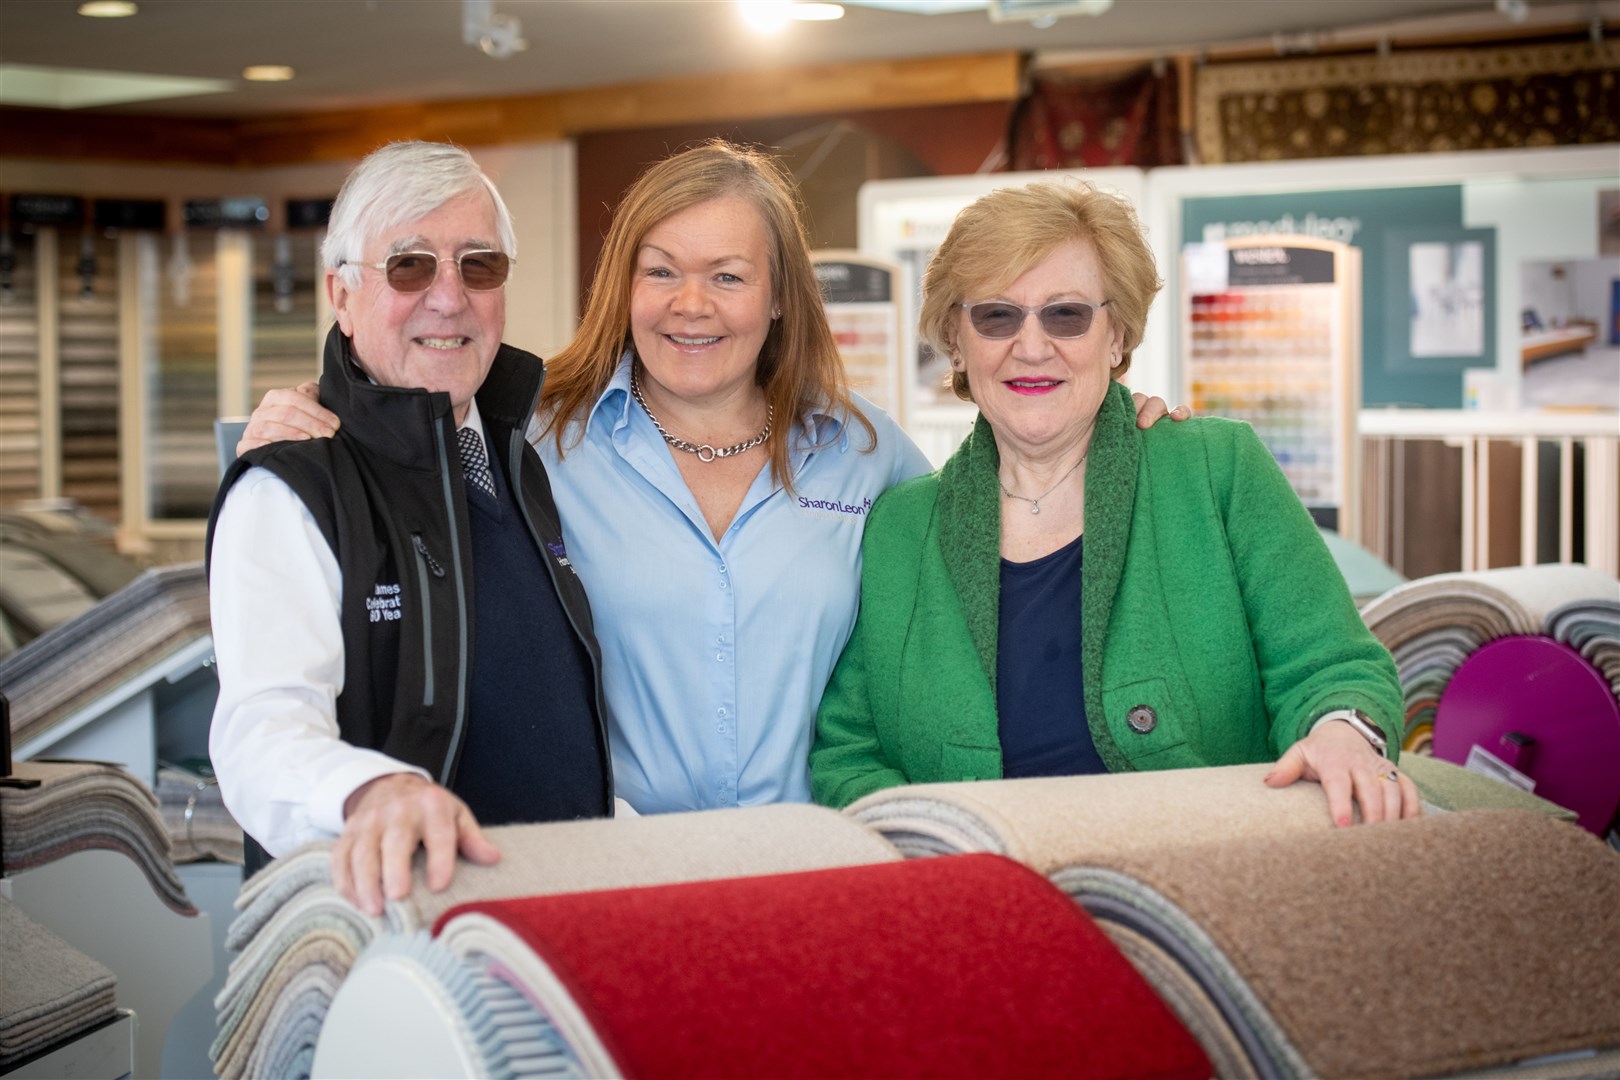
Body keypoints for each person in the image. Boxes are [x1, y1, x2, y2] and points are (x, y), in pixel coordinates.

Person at [239, 141, 1184, 821]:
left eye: (729, 277)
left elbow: (1003, 523)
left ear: (778, 299)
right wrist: (301, 421)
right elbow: (403, 420)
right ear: (625, 286)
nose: (693, 306)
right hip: (617, 870)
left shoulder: (870, 454)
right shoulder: (533, 441)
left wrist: (1116, 432)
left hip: (824, 860)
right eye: (663, 272)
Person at [810, 180, 1421, 828]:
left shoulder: (1220, 469)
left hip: (1204, 885)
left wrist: (1341, 733)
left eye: (1066, 314)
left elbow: (1334, 666)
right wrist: (939, 846)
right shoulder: (901, 527)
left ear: (1117, 336)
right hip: (982, 898)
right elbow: (848, 751)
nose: (1032, 344)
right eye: (997, 315)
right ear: (956, 342)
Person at [207, 142, 613, 917]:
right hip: (389, 948)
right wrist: (372, 790)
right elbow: (262, 727)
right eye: (410, 266)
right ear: (342, 293)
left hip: (554, 927)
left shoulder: (520, 462)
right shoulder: (293, 487)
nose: (449, 297)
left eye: (479, 265)